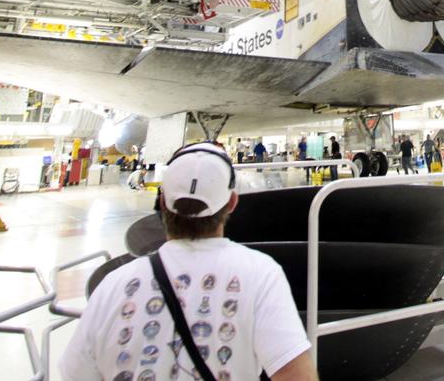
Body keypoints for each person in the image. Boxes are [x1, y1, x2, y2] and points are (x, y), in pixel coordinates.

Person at [62, 143, 317, 381]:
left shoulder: (113, 286)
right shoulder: (260, 274)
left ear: (162, 203)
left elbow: (74, 372)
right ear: (232, 202)